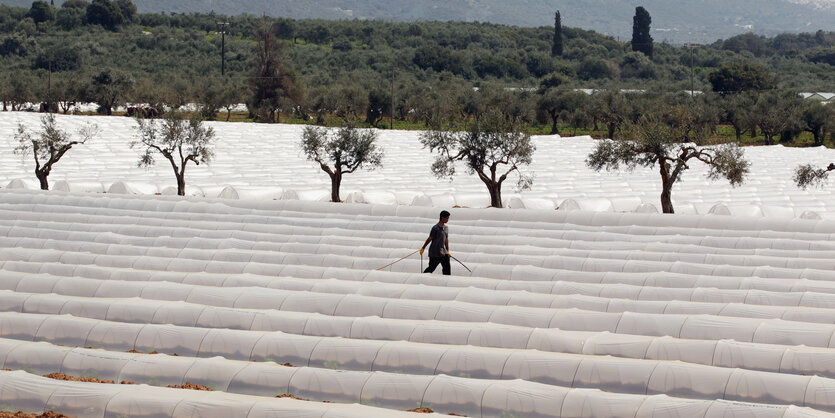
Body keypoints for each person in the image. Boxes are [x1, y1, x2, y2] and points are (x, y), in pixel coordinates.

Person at [420, 210, 451, 275]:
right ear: (442, 218)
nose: (448, 220)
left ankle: (446, 280)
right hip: (435, 251)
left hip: (442, 250)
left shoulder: (446, 228)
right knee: (431, 267)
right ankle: (422, 276)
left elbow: (446, 240)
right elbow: (430, 238)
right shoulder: (435, 228)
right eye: (447, 218)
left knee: (447, 267)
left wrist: (448, 251)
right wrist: (423, 247)